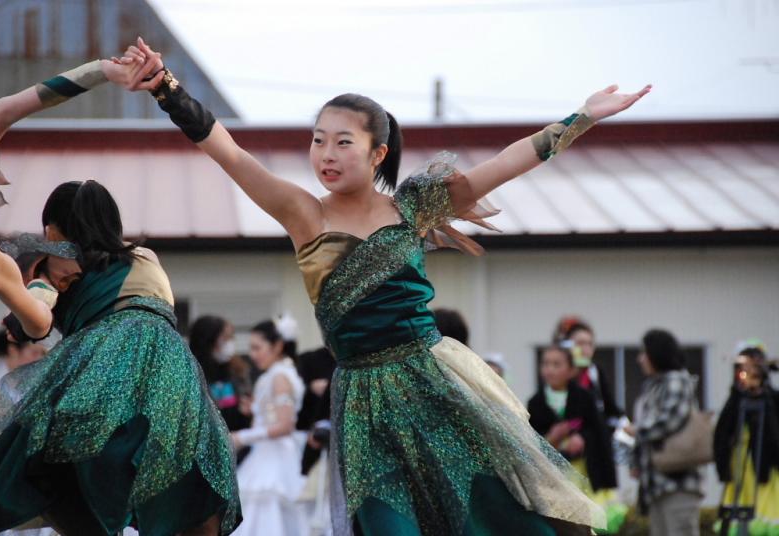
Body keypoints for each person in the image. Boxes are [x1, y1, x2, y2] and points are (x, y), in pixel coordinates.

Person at [127, 36, 649, 535]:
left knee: (489, 516)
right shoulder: (302, 213)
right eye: (318, 140)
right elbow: (231, 153)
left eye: (343, 142)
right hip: (362, 401)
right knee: (387, 524)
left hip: (434, 385)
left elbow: (504, 163)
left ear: (378, 154)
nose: (326, 153)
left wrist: (581, 118)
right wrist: (165, 87)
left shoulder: (413, 207)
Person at [0, 181, 240, 532]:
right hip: (171, 374)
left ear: (53, 227)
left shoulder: (54, 261)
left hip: (102, 366)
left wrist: (21, 318)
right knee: (186, 480)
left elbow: (38, 320)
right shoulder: (146, 257)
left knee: (39, 474)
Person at [528, 344, 625, 534]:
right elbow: (530, 441)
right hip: (553, 479)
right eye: (546, 364)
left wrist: (583, 438)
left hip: (585, 474)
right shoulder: (535, 402)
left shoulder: (585, 397)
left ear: (571, 370)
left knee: (587, 526)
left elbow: (599, 432)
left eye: (557, 364)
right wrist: (551, 438)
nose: (550, 369)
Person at [230, 319, 307, 536]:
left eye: (257, 348)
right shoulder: (278, 373)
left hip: (274, 458)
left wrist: (242, 437)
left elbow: (285, 425)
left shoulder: (279, 376)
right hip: (268, 454)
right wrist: (256, 409)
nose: (253, 355)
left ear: (277, 346)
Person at [629, 329, 703, 536]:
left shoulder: (676, 380)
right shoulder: (653, 385)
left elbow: (670, 420)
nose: (640, 359)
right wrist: (637, 461)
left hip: (677, 483)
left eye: (644, 353)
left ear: (657, 354)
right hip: (657, 485)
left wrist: (636, 431)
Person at [714, 341, 779, 536]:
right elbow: (722, 433)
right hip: (739, 470)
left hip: (766, 473)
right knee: (740, 525)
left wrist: (762, 396)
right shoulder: (735, 399)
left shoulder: (772, 398)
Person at [554, 316, 624, 430]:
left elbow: (610, 407)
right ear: (567, 345)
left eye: (590, 344)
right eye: (580, 343)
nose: (586, 349)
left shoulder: (595, 372)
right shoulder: (559, 374)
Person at [189, 315, 252, 432]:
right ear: (208, 341)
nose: (230, 344)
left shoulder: (238, 369)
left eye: (231, 337)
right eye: (225, 338)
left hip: (240, 440)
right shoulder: (191, 375)